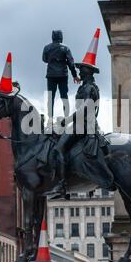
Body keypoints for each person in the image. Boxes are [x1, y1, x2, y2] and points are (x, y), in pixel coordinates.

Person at [45, 28, 115, 198]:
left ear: (88, 72)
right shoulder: (87, 87)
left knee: (58, 149)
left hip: (83, 126)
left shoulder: (89, 88)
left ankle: (62, 186)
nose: (80, 71)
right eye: (81, 68)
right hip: (82, 124)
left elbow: (84, 110)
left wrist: (65, 121)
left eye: (83, 69)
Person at [43, 30, 79, 120]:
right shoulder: (66, 48)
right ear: (61, 37)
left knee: (50, 97)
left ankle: (50, 119)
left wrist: (52, 60)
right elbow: (71, 63)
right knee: (64, 97)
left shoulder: (46, 48)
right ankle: (66, 118)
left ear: (52, 37)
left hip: (51, 75)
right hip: (63, 75)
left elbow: (44, 59)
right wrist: (75, 76)